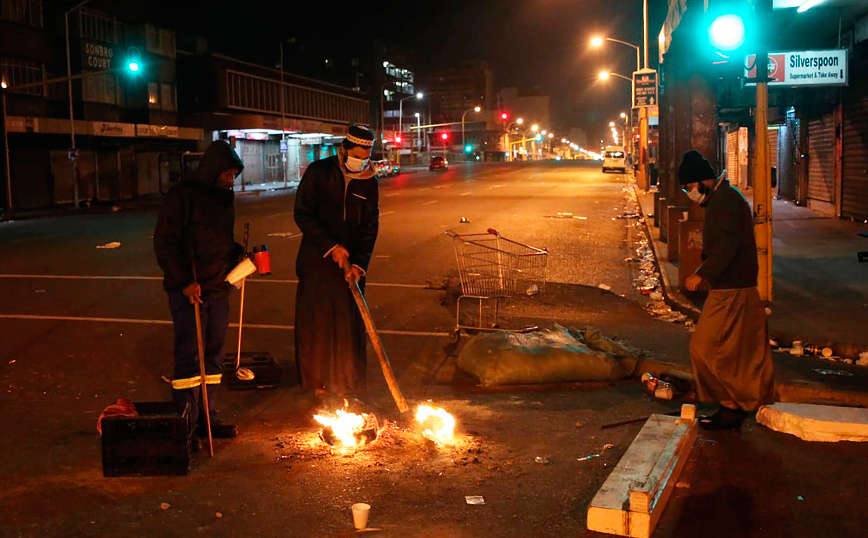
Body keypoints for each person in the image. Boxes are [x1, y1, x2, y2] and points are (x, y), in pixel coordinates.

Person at [154, 140, 244, 442]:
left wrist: (240, 258)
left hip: (219, 288)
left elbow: (222, 241)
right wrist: (184, 282)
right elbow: (165, 243)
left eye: (234, 175)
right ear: (212, 170)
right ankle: (187, 425)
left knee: (214, 359)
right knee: (190, 360)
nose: (231, 180)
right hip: (189, 289)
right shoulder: (183, 197)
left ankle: (208, 418)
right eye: (227, 174)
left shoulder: (224, 198)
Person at [679, 149, 775, 431]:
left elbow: (726, 246)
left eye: (688, 187)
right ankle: (732, 405)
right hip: (734, 286)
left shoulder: (724, 202)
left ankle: (733, 405)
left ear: (703, 181)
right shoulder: (724, 198)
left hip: (730, 289)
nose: (688, 193)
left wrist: (702, 274)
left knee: (704, 348)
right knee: (735, 351)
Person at [294, 124, 379, 399]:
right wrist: (330, 246)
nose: (363, 158)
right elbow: (303, 213)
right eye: (359, 152)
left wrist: (359, 263)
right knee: (317, 325)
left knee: (347, 325)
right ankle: (316, 381)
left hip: (350, 266)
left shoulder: (369, 180)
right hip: (317, 261)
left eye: (367, 152)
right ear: (345, 150)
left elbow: (370, 226)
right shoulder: (319, 172)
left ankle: (346, 380)